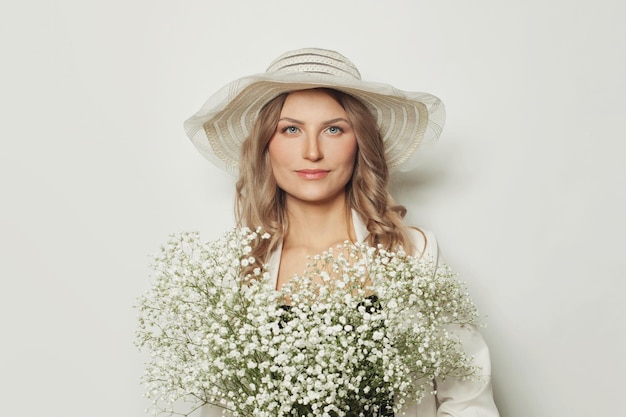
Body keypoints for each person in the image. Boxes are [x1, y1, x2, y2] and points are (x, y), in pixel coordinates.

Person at [184, 48, 499, 417]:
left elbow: (468, 399)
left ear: (359, 142)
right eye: (291, 129)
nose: (312, 151)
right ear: (266, 146)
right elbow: (219, 407)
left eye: (333, 129)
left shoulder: (416, 253)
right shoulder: (235, 271)